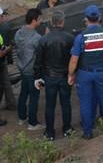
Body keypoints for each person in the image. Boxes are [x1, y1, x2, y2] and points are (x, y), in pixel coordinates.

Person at [68, 5, 103, 139]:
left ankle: (88, 132)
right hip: (101, 72)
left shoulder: (81, 37)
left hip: (84, 74)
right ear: (99, 18)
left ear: (86, 19)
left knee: (85, 102)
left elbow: (74, 60)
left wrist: (71, 74)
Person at [34, 10, 75, 141]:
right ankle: (67, 129)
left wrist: (37, 77)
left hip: (49, 77)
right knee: (66, 103)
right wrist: (73, 74)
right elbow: (74, 59)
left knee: (50, 105)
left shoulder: (43, 40)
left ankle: (50, 132)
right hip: (64, 76)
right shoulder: (69, 38)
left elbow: (38, 61)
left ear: (51, 22)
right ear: (62, 22)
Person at [14, 8, 43, 130]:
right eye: (40, 19)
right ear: (34, 20)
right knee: (34, 96)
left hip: (22, 68)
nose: (41, 21)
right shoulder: (37, 37)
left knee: (23, 93)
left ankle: (22, 117)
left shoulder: (18, 33)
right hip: (32, 71)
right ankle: (33, 123)